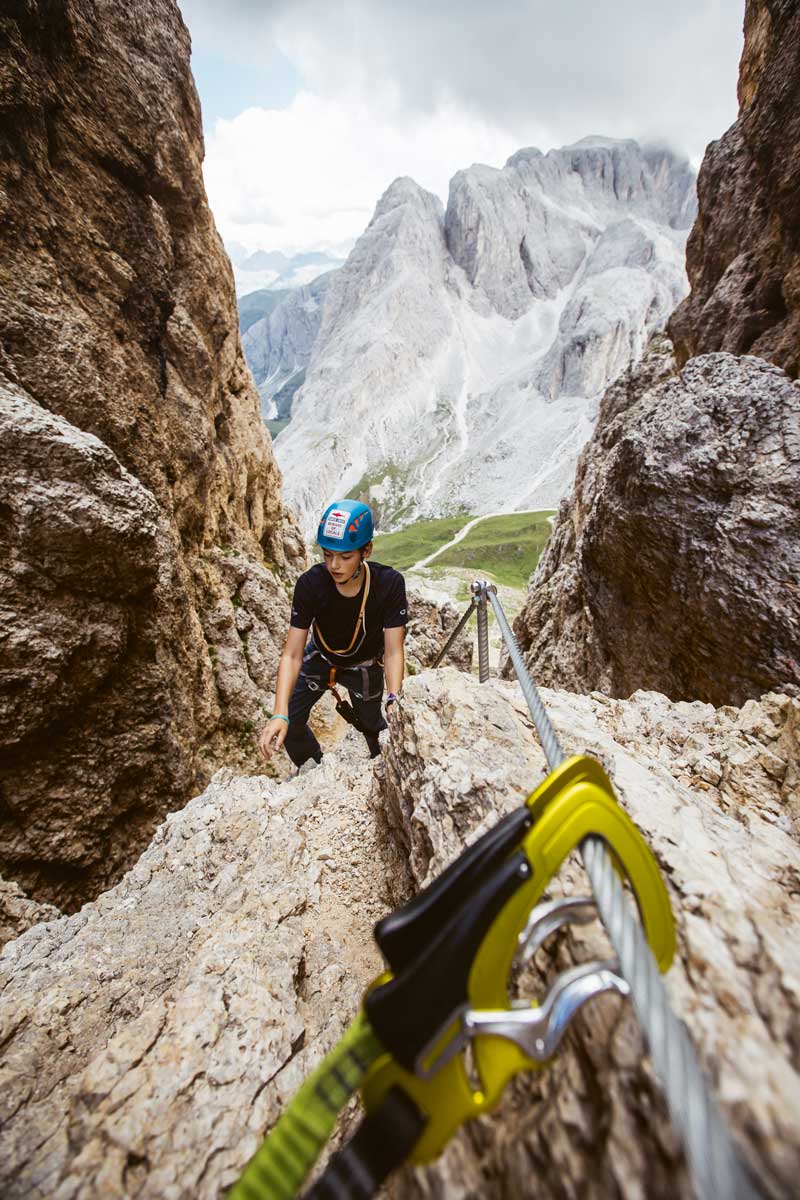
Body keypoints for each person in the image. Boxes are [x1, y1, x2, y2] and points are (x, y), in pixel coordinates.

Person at [259, 499, 408, 770]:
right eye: (327, 555)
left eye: (345, 556)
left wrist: (394, 697)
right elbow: (292, 654)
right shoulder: (310, 584)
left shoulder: (389, 584)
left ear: (367, 551)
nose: (334, 565)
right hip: (321, 656)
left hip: (364, 665)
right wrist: (279, 713)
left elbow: (393, 650)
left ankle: (383, 770)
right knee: (291, 721)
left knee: (372, 725)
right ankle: (314, 772)